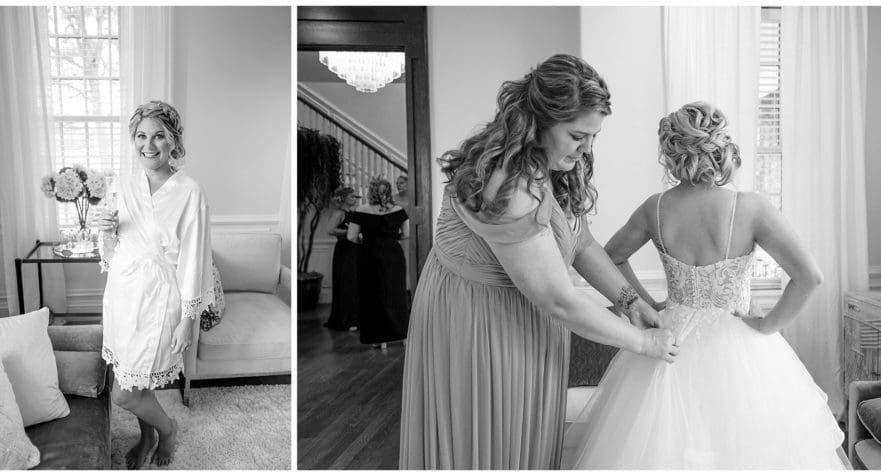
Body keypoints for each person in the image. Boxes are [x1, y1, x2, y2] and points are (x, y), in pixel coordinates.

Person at [398, 54, 679, 470]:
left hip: (526, 318)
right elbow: (557, 299)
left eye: (594, 136)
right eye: (578, 135)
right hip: (479, 324)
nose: (586, 148)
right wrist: (642, 343)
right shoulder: (507, 184)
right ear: (541, 120)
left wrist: (630, 301)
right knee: (488, 444)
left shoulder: (550, 162)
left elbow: (579, 241)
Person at [565, 101, 846, 469]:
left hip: (672, 338)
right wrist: (765, 326)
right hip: (740, 343)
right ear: (721, 146)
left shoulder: (656, 207)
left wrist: (651, 305)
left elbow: (612, 256)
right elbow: (810, 276)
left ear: (671, 151)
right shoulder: (751, 208)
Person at [97, 101, 222, 469]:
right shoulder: (122, 184)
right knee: (135, 378)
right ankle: (147, 434)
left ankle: (167, 430)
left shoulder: (189, 191)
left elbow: (195, 258)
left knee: (124, 393)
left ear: (173, 142)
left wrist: (188, 318)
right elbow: (111, 250)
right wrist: (105, 231)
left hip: (159, 295)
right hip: (122, 292)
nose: (148, 145)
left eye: (158, 136)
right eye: (140, 136)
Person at [348, 177, 409, 347]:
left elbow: (351, 236)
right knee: (396, 293)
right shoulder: (399, 210)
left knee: (373, 294)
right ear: (389, 192)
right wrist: (390, 238)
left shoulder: (361, 210)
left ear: (370, 192)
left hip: (369, 254)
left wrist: (364, 240)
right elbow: (406, 234)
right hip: (393, 255)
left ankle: (379, 337)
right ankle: (401, 333)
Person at [324, 187, 361, 332]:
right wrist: (349, 232)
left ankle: (355, 318)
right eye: (351, 196)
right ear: (343, 198)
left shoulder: (354, 213)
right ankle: (345, 319)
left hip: (355, 249)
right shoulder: (339, 213)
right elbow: (330, 230)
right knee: (346, 282)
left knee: (355, 283)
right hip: (344, 251)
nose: (354, 198)